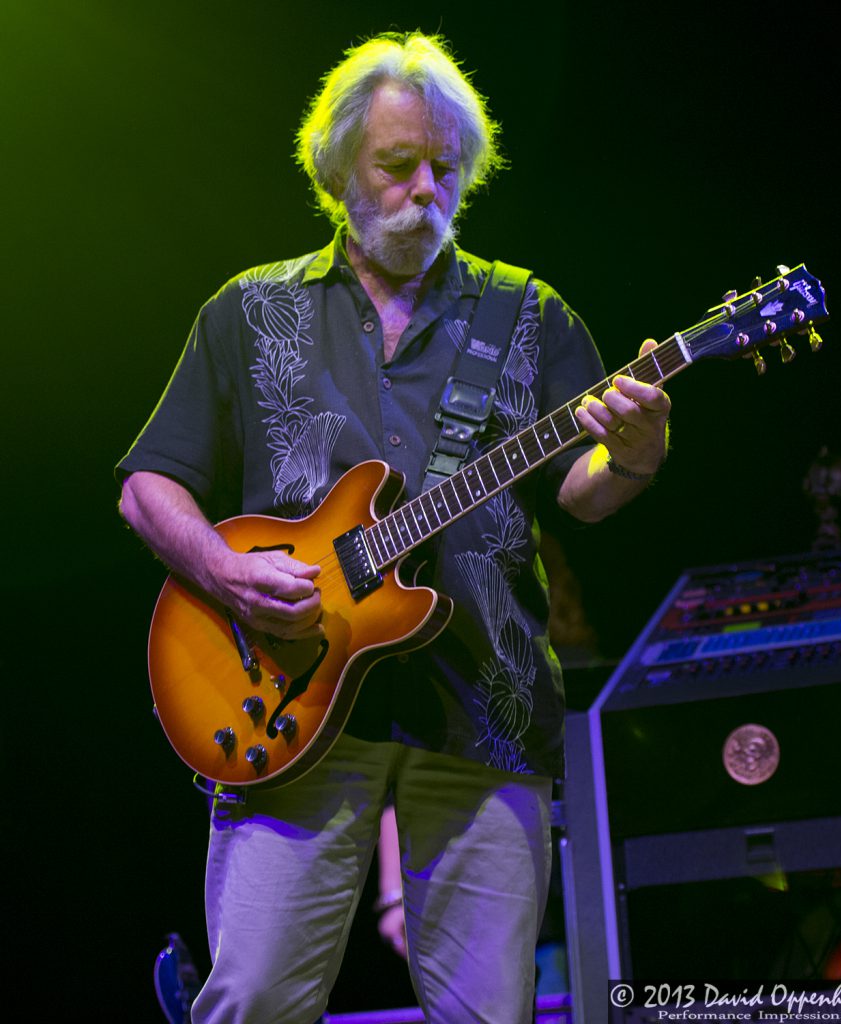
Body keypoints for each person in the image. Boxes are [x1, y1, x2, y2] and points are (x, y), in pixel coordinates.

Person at [117, 31, 670, 1024]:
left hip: (485, 709)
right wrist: (230, 577)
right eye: (397, 164)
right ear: (339, 171)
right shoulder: (249, 310)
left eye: (445, 168)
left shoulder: (528, 313)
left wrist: (635, 454)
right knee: (251, 999)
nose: (425, 189)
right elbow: (149, 485)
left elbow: (581, 494)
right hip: (284, 698)